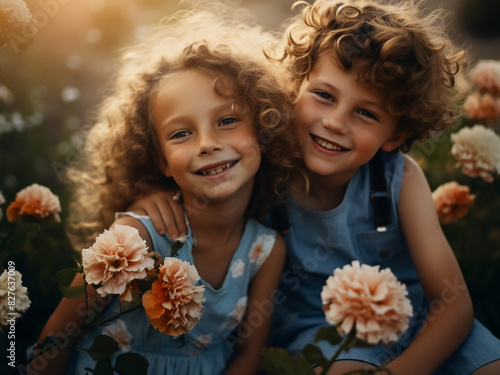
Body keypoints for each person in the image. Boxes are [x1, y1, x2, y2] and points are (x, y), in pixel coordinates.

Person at [130, 1, 500, 374]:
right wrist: (159, 195)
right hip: (322, 331)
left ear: (396, 134)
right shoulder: (262, 161)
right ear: (295, 85)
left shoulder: (399, 178)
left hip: (419, 317)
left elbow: (453, 304)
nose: (336, 122)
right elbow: (206, 185)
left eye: (367, 113)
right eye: (324, 96)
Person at [28, 7, 300, 375]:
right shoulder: (134, 239)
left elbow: (249, 354)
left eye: (227, 120)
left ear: (264, 128)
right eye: (181, 133)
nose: (207, 143)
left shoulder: (265, 250)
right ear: (162, 162)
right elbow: (54, 341)